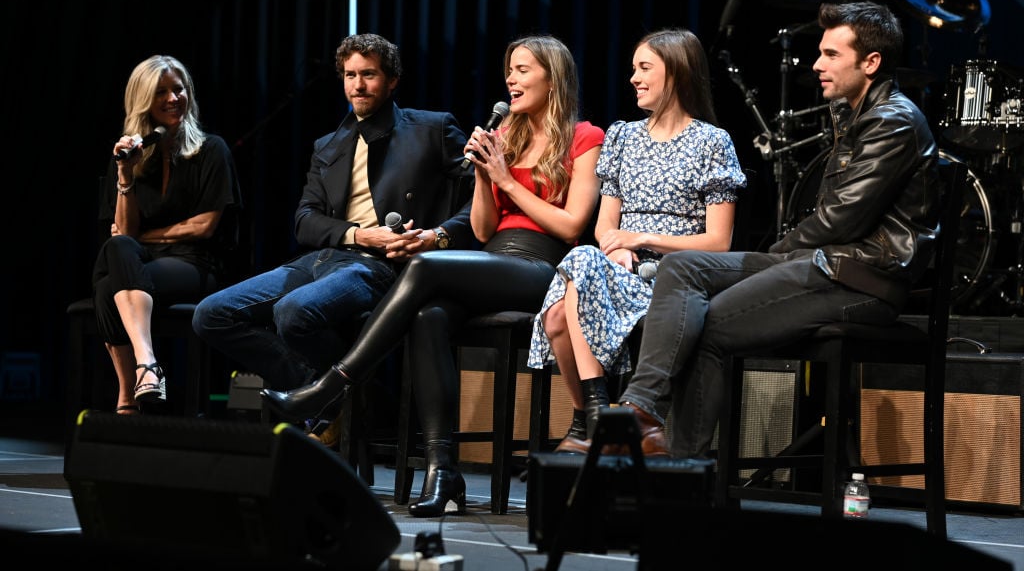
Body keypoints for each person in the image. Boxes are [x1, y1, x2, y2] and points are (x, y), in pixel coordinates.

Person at [262, 34, 605, 516]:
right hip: (493, 260)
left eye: (523, 70)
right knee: (428, 315)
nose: (510, 79)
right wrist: (486, 175)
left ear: (554, 77)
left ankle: (331, 385)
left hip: (541, 266)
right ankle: (442, 470)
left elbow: (571, 227)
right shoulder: (508, 136)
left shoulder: (586, 137)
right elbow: (483, 228)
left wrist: (506, 179)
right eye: (509, 70)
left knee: (422, 264)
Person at [614, 1, 940, 459]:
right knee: (684, 267)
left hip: (861, 277)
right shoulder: (857, 114)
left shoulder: (892, 121)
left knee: (702, 326)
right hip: (827, 264)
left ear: (871, 63)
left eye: (830, 55)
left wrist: (778, 254)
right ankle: (639, 408)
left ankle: (685, 470)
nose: (816, 64)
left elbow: (841, 219)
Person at [192, 33, 474, 421]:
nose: (357, 85)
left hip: (382, 267)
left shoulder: (432, 128)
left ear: (392, 80)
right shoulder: (329, 144)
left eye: (369, 74)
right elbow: (305, 220)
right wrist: (358, 233)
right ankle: (345, 399)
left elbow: (480, 198)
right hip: (327, 258)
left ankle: (333, 402)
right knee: (211, 314)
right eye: (349, 75)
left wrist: (437, 236)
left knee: (293, 313)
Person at [528, 28, 746, 455]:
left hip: (673, 280)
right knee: (565, 298)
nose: (633, 78)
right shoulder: (624, 136)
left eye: (645, 68)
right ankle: (595, 418)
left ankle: (589, 422)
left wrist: (642, 237)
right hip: (617, 266)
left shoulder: (712, 142)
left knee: (558, 313)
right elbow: (604, 224)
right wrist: (618, 244)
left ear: (677, 73)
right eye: (633, 68)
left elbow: (719, 242)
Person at [92, 55, 241, 414]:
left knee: (108, 281)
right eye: (161, 92)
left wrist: (148, 236)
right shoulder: (129, 157)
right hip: (143, 263)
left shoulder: (211, 150)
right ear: (143, 100)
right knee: (117, 253)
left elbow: (205, 226)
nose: (173, 98)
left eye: (179, 89)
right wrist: (125, 176)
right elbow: (125, 234)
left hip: (195, 263)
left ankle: (129, 393)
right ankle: (146, 369)